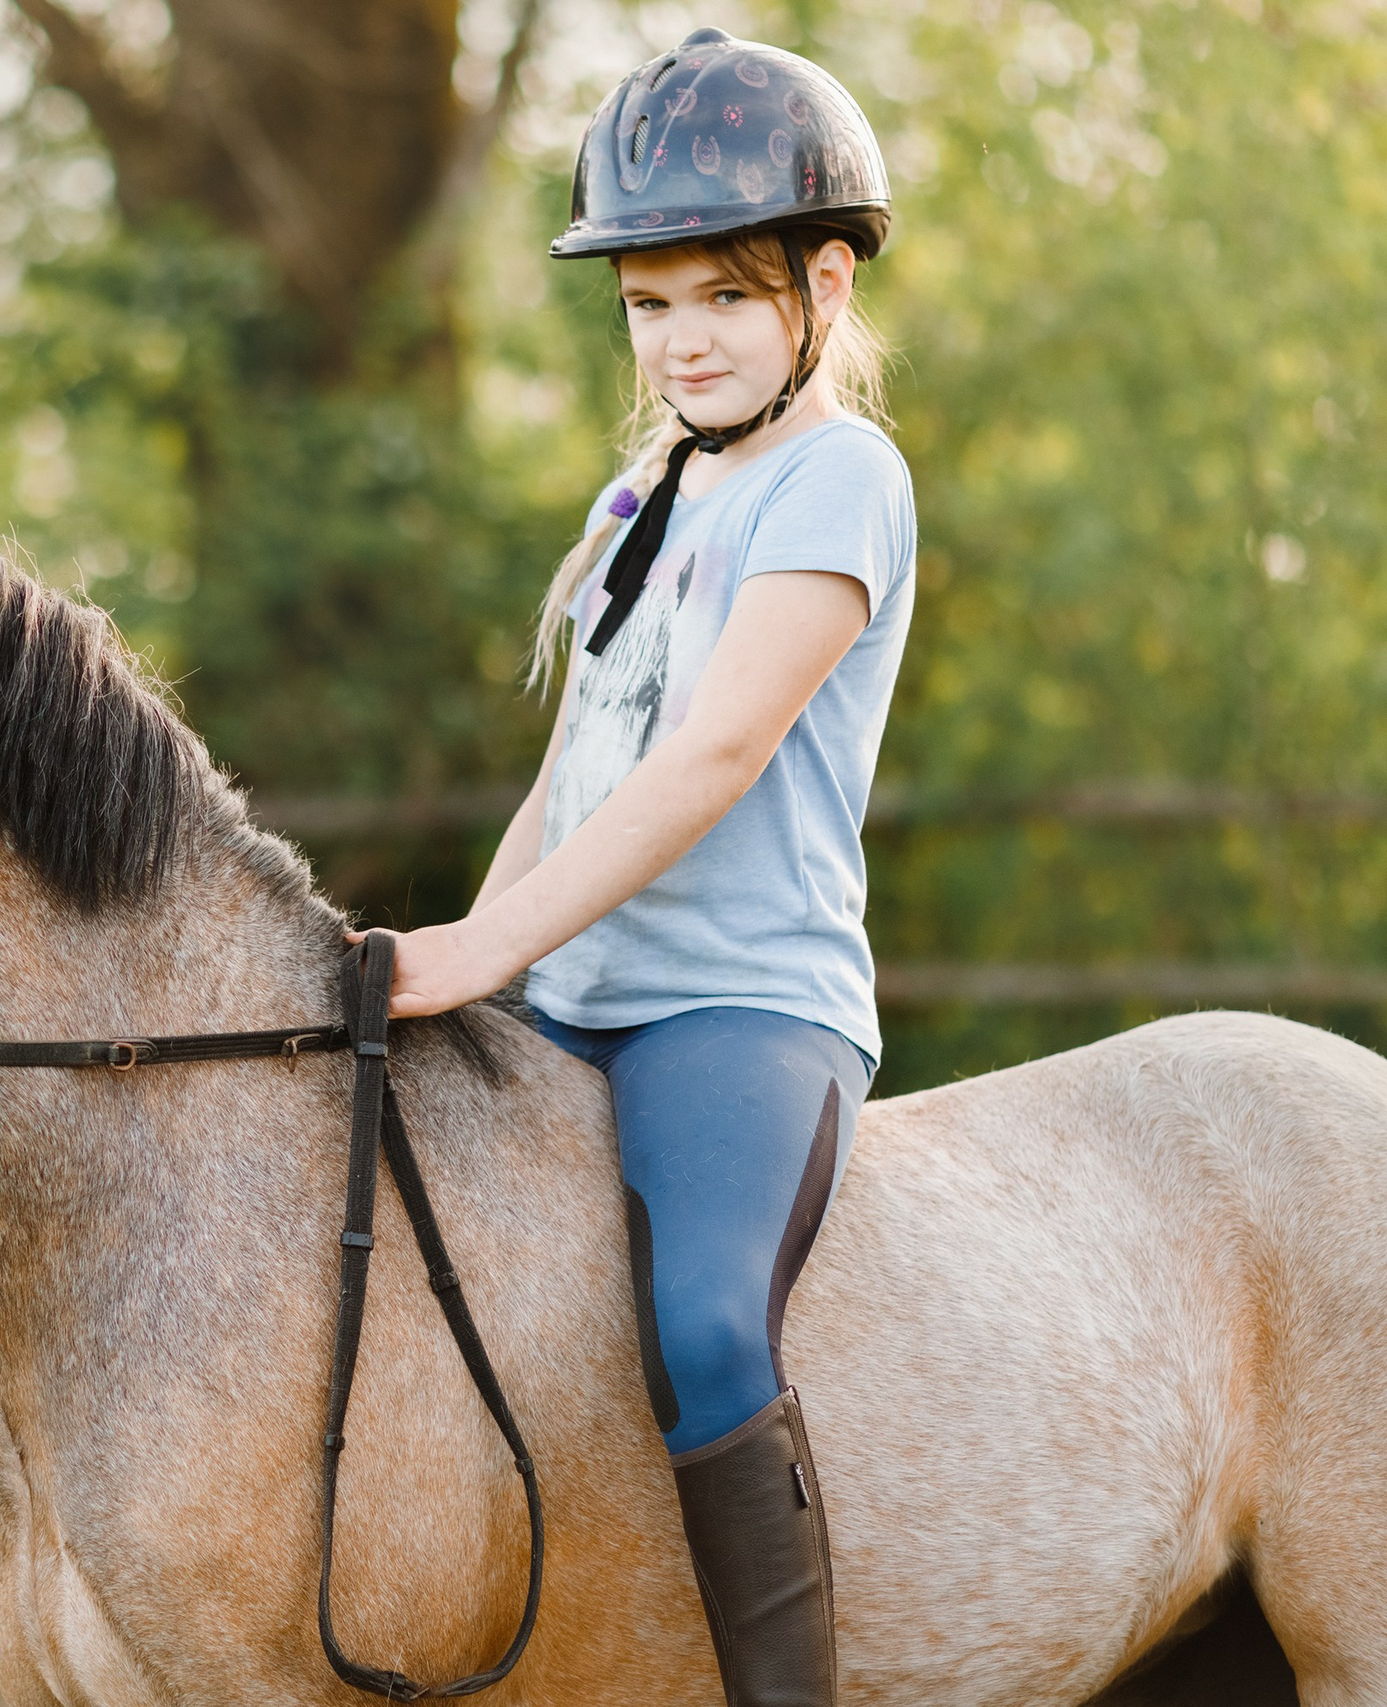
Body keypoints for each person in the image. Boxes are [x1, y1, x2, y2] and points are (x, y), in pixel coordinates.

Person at [367, 28, 912, 1707]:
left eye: (723, 300)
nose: (681, 342)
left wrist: (473, 957)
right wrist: (474, 944)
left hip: (737, 1008)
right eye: (648, 305)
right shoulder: (637, 498)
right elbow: (576, 766)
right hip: (566, 996)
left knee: (704, 1335)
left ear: (822, 285)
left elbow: (710, 760)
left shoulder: (843, 477)